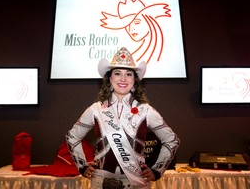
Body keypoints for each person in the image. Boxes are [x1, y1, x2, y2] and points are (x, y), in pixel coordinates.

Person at [66, 47, 180, 189]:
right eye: (117, 73)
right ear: (110, 78)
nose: (123, 79)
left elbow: (172, 140)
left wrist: (157, 170)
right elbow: (72, 137)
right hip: (101, 183)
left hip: (135, 183)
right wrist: (82, 166)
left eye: (129, 74)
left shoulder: (145, 110)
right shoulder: (96, 109)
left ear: (135, 80)